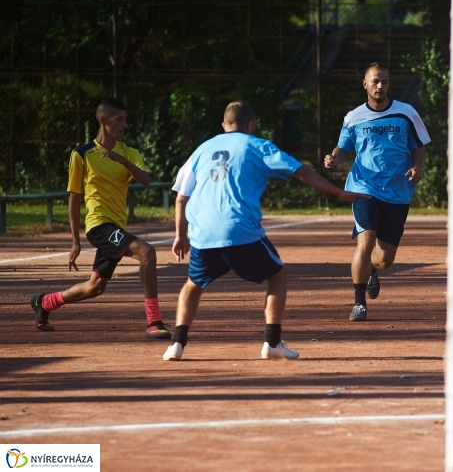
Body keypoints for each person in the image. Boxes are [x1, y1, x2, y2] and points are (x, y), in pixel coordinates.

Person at [163, 102, 364, 361]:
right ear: (250, 125)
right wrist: (338, 192)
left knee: (194, 284)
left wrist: (181, 235)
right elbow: (300, 172)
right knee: (277, 275)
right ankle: (272, 342)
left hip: (203, 232)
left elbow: (181, 197)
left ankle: (176, 344)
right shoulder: (257, 145)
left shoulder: (203, 149)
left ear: (224, 126)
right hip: (239, 229)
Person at [30, 97, 170, 339]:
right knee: (146, 252)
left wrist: (122, 160)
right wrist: (75, 241)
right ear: (103, 120)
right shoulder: (82, 154)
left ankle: (45, 302)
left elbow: (145, 180)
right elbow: (74, 198)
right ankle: (154, 320)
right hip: (99, 225)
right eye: (119, 119)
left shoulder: (129, 152)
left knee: (95, 287)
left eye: (125, 119)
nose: (125, 124)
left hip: (117, 227)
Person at [324, 63, 431, 322]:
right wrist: (334, 158)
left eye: (384, 81)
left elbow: (419, 145)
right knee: (366, 239)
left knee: (385, 260)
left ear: (389, 83)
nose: (380, 86)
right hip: (363, 187)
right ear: (365, 84)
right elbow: (342, 147)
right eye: (375, 81)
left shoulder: (406, 113)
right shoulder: (353, 117)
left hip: (397, 191)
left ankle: (372, 270)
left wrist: (416, 167)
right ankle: (359, 302)